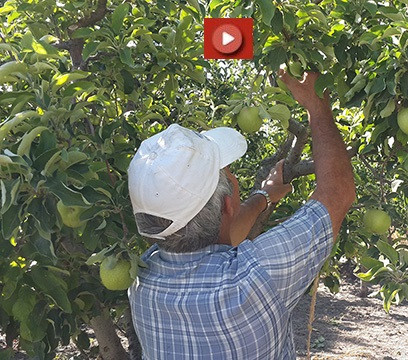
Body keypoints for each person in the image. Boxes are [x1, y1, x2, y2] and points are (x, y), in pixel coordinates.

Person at [126, 70, 356, 359]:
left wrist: (263, 197)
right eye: (228, 173)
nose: (232, 175)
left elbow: (217, 239)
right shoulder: (255, 278)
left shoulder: (142, 280)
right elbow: (337, 193)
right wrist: (318, 107)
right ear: (226, 205)